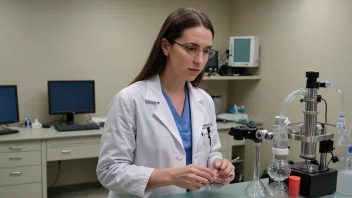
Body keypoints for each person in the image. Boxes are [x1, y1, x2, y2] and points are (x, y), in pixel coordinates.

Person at [96, 7, 235, 198]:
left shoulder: (204, 100)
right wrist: (170, 176)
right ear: (165, 46)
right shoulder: (129, 100)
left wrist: (218, 165)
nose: (200, 60)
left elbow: (211, 152)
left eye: (206, 51)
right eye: (191, 48)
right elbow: (109, 171)